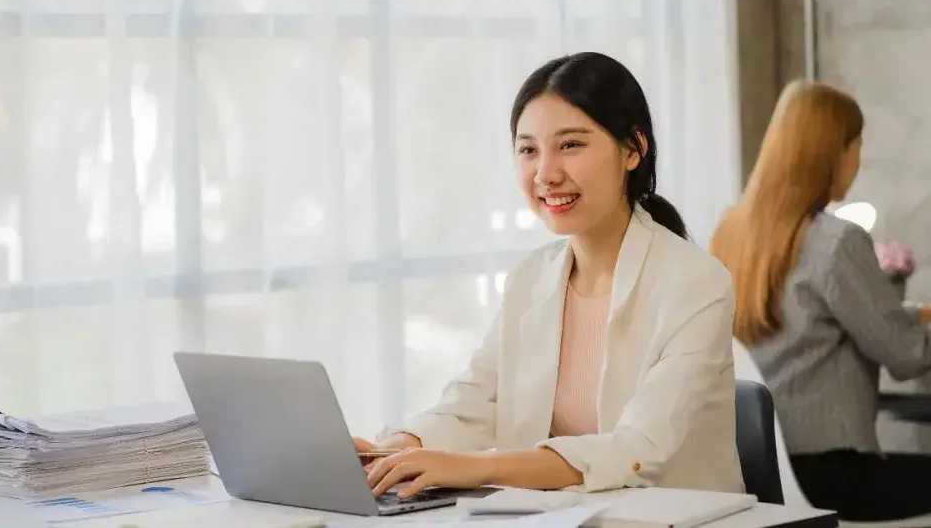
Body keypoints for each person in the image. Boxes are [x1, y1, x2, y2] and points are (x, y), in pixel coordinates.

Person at [354, 51, 744, 499]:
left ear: (633, 149)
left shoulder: (697, 284)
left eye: (571, 145)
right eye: (528, 150)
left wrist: (468, 467)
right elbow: (476, 401)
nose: (546, 174)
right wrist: (393, 452)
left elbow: (638, 450)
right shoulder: (531, 277)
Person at [710, 80, 931, 522]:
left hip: (758, 472)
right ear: (831, 152)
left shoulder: (732, 233)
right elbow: (906, 354)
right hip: (832, 475)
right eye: (856, 146)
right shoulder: (836, 240)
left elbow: (808, 323)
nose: (858, 161)